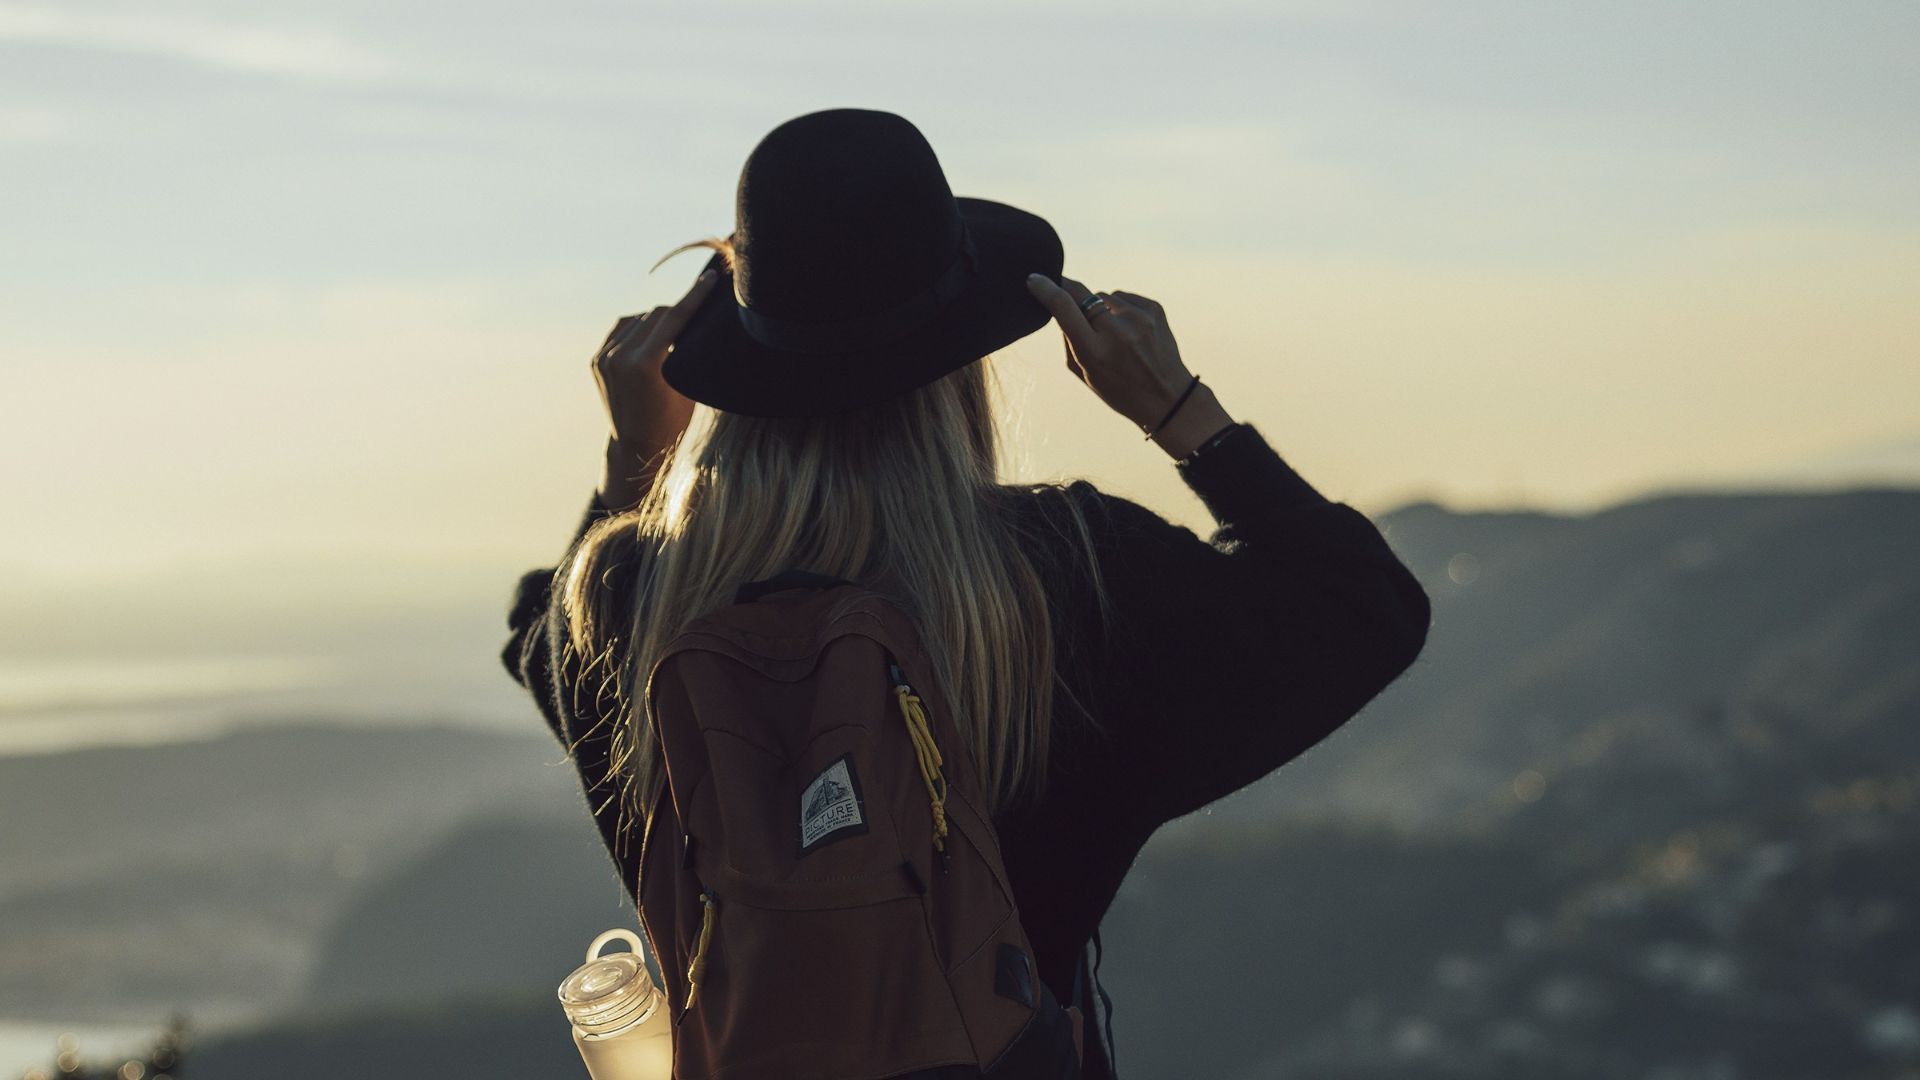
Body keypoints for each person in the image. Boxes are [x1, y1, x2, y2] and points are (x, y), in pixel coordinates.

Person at [501, 108, 1430, 1080]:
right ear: (962, 351)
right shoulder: (1071, 579)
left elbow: (540, 644)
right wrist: (1178, 408)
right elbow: (1365, 609)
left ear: (735, 346)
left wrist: (636, 459)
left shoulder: (623, 607)